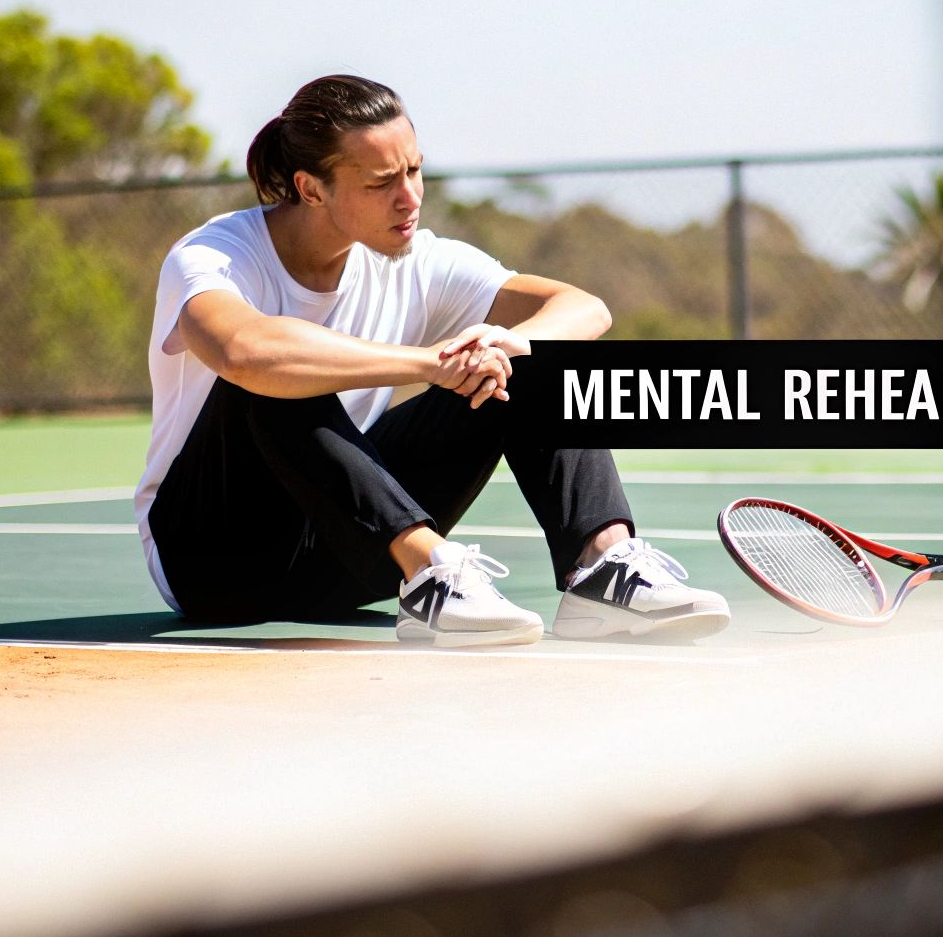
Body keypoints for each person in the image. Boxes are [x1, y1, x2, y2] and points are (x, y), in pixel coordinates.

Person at [134, 74, 730, 647]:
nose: (410, 197)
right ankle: (434, 570)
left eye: (415, 170)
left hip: (351, 551)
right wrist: (426, 363)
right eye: (381, 182)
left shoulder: (420, 261)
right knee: (273, 374)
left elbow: (583, 308)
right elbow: (245, 350)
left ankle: (601, 568)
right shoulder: (217, 254)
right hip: (213, 563)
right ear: (311, 188)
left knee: (527, 358)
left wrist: (507, 346)